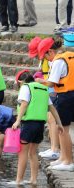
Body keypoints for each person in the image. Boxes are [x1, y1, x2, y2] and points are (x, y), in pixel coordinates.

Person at [12, 70, 64, 184]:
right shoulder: (43, 88)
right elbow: (52, 108)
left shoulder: (26, 87)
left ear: (20, 81)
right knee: (33, 153)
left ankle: (18, 180)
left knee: (22, 152)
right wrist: (59, 124)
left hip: (28, 124)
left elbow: (24, 104)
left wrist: (17, 121)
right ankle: (33, 180)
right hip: (40, 125)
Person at [37, 37, 74, 171]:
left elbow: (51, 83)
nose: (46, 59)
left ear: (50, 51)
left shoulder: (58, 62)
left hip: (65, 96)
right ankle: (63, 158)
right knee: (63, 129)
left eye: (45, 56)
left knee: (63, 130)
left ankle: (68, 161)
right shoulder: (68, 56)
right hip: (70, 94)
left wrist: (40, 81)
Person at [28, 37, 60, 160]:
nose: (37, 56)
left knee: (52, 121)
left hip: (52, 91)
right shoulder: (45, 59)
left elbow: (51, 78)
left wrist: (41, 80)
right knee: (50, 121)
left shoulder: (49, 58)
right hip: (49, 90)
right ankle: (53, 147)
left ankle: (54, 149)